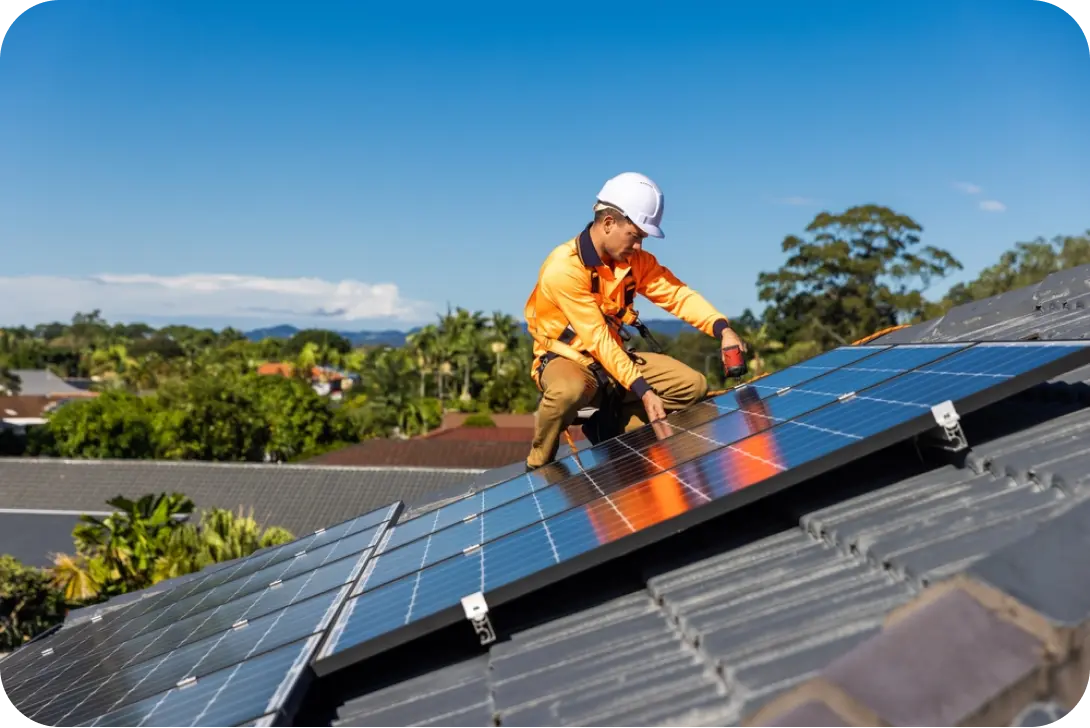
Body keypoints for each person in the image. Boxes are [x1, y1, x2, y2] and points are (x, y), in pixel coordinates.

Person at [523, 171, 747, 470]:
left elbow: (676, 295)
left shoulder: (634, 262)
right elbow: (597, 338)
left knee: (692, 387)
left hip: (614, 361)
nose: (640, 246)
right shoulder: (564, 268)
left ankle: (613, 431)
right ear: (608, 223)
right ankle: (538, 466)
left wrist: (723, 329)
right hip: (570, 360)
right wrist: (643, 389)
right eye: (636, 236)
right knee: (567, 392)